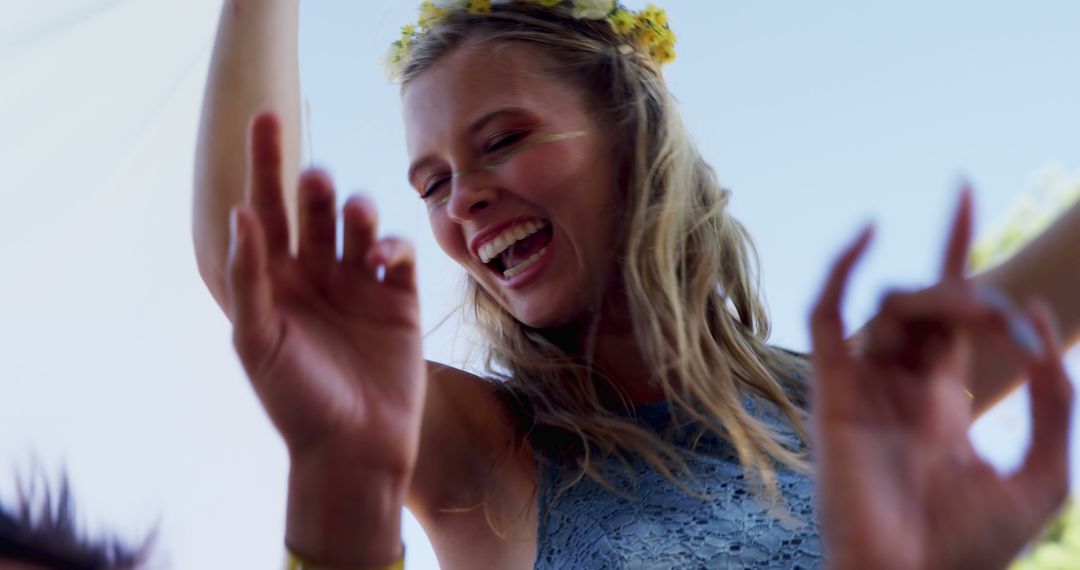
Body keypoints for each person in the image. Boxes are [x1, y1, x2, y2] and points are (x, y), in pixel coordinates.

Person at [193, 1, 1079, 568]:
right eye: (430, 184)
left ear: (631, 136)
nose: (462, 199)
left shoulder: (858, 398)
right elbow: (262, 268)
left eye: (501, 140)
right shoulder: (488, 453)